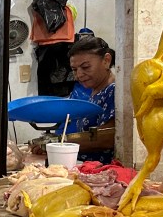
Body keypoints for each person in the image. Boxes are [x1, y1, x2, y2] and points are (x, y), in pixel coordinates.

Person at [47, 34, 116, 162]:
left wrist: (60, 143)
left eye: (85, 67)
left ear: (106, 60)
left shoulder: (113, 91)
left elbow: (107, 138)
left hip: (102, 172)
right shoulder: (95, 91)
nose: (78, 75)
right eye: (74, 69)